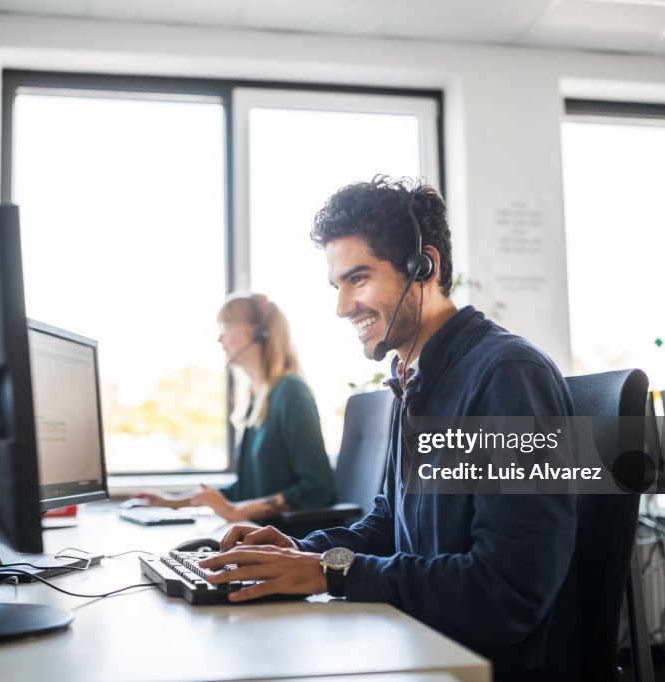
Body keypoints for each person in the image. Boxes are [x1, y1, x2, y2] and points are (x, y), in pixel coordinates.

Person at [199, 177, 580, 681]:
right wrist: (304, 551)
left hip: (475, 666)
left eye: (358, 279)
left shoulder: (506, 377)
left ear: (426, 266)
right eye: (338, 286)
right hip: (415, 643)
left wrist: (326, 573)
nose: (342, 307)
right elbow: (388, 526)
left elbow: (504, 592)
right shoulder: (416, 380)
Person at [136, 293, 335, 524]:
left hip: (289, 541)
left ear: (260, 332)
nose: (220, 338)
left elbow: (317, 487)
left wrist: (238, 512)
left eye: (228, 326)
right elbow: (245, 490)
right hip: (257, 534)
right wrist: (172, 502)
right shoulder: (257, 400)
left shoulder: (291, 392)